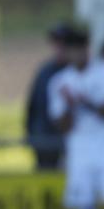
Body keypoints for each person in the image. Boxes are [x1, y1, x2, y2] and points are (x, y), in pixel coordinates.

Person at [48, 28, 104, 209]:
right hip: (80, 154)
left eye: (80, 49)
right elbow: (62, 124)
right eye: (71, 50)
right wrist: (69, 104)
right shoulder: (60, 81)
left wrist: (84, 100)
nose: (77, 54)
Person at [26, 23, 73, 169]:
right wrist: (33, 135)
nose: (59, 48)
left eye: (64, 43)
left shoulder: (79, 74)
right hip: (45, 141)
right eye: (56, 43)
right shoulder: (44, 72)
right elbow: (33, 107)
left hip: (71, 143)